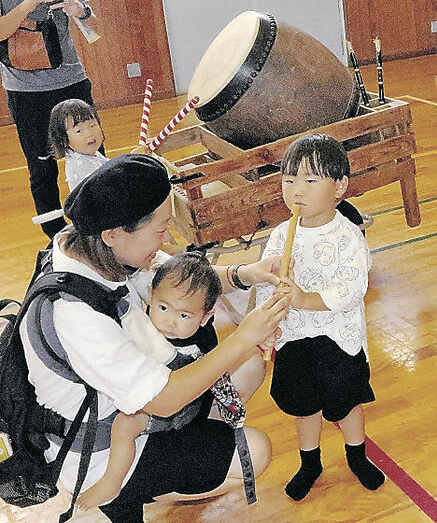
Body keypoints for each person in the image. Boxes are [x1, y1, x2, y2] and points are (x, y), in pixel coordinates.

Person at [19, 154, 290, 522]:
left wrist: (246, 273)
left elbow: (176, 278)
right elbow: (163, 401)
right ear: (115, 233)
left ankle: (186, 449)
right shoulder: (74, 314)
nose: (167, 236)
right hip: (102, 447)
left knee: (250, 368)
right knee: (254, 452)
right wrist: (243, 337)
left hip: (130, 402)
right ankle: (129, 491)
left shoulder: (85, 241)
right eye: (161, 229)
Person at [256, 134, 384, 501]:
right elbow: (268, 282)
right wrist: (269, 324)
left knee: (346, 403)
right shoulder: (281, 235)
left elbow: (352, 288)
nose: (297, 190)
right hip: (294, 339)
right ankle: (310, 462)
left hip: (339, 340)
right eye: (289, 180)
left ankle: (356, 455)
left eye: (310, 181)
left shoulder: (348, 236)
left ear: (339, 186)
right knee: (304, 404)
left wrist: (306, 298)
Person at [75, 252, 239, 511]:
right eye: (163, 308)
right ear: (151, 296)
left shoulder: (200, 340)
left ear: (205, 317)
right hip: (168, 404)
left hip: (181, 407)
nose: (170, 321)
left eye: (184, 316)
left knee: (124, 425)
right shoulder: (146, 320)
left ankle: (112, 481)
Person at [0, 0, 98, 238]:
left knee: (93, 158)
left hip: (71, 82)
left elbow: (95, 30)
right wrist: (28, 5)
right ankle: (57, 237)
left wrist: (79, 10)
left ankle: (102, 227)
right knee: (41, 168)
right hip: (25, 90)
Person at [48, 98, 107, 191]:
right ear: (63, 140)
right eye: (79, 131)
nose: (89, 134)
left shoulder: (91, 154)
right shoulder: (82, 166)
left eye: (93, 125)